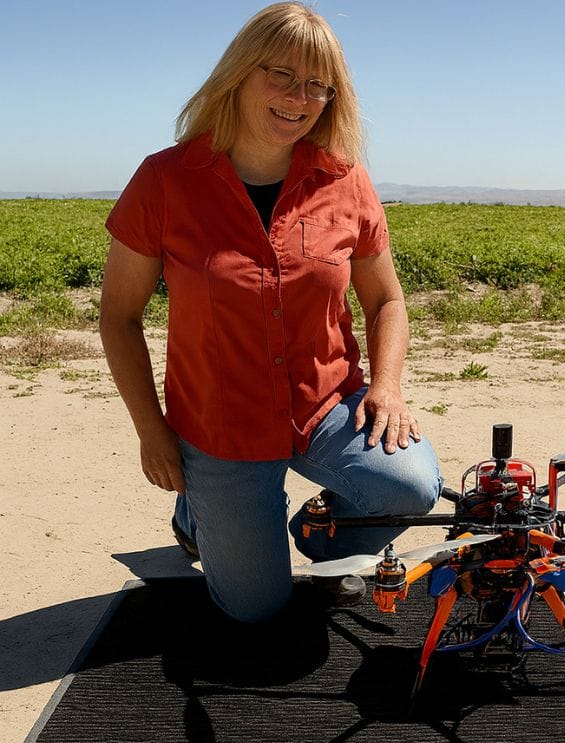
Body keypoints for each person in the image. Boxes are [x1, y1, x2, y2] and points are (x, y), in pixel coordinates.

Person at [99, 2, 441, 623]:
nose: (299, 97)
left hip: (325, 406)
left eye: (317, 84)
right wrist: (153, 431)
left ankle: (321, 539)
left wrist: (387, 388)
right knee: (255, 608)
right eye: (280, 74)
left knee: (412, 484)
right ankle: (196, 513)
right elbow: (119, 317)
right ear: (239, 72)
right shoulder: (164, 180)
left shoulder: (346, 180)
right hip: (220, 424)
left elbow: (387, 300)